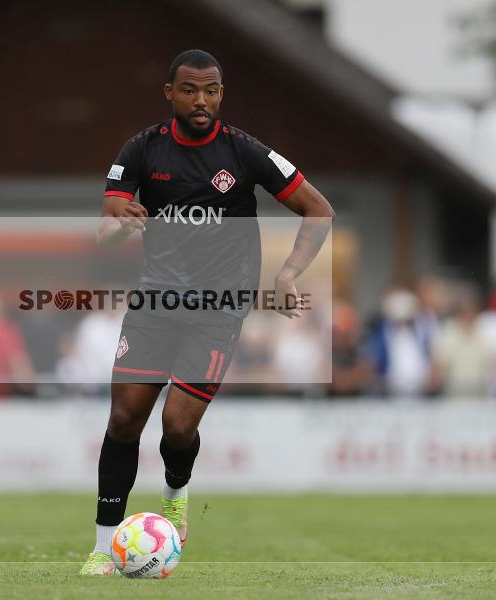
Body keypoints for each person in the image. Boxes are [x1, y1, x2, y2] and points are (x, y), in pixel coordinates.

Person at [80, 49, 334, 575]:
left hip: (218, 308)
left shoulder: (244, 153)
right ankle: (103, 550)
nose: (202, 100)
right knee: (125, 418)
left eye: (212, 90)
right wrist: (119, 224)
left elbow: (319, 209)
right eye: (191, 90)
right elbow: (104, 229)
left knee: (176, 425)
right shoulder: (141, 150)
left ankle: (176, 491)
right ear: (169, 93)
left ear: (221, 94)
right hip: (155, 301)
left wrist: (287, 273)